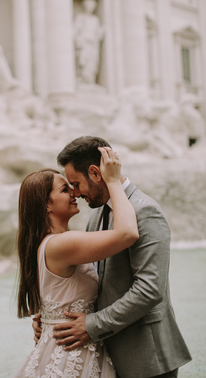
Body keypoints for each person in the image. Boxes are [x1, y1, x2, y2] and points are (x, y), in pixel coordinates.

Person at [34, 136, 192, 378]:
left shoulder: (145, 211)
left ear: (96, 173)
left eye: (76, 183)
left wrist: (92, 325)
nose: (76, 193)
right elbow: (89, 281)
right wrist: (51, 319)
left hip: (146, 357)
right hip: (107, 354)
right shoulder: (95, 216)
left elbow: (149, 290)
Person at [13, 147, 139, 377]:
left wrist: (49, 320)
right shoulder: (61, 244)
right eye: (64, 189)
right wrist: (112, 181)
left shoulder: (50, 243)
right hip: (71, 355)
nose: (74, 192)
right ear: (46, 205)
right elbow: (127, 234)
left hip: (68, 345)